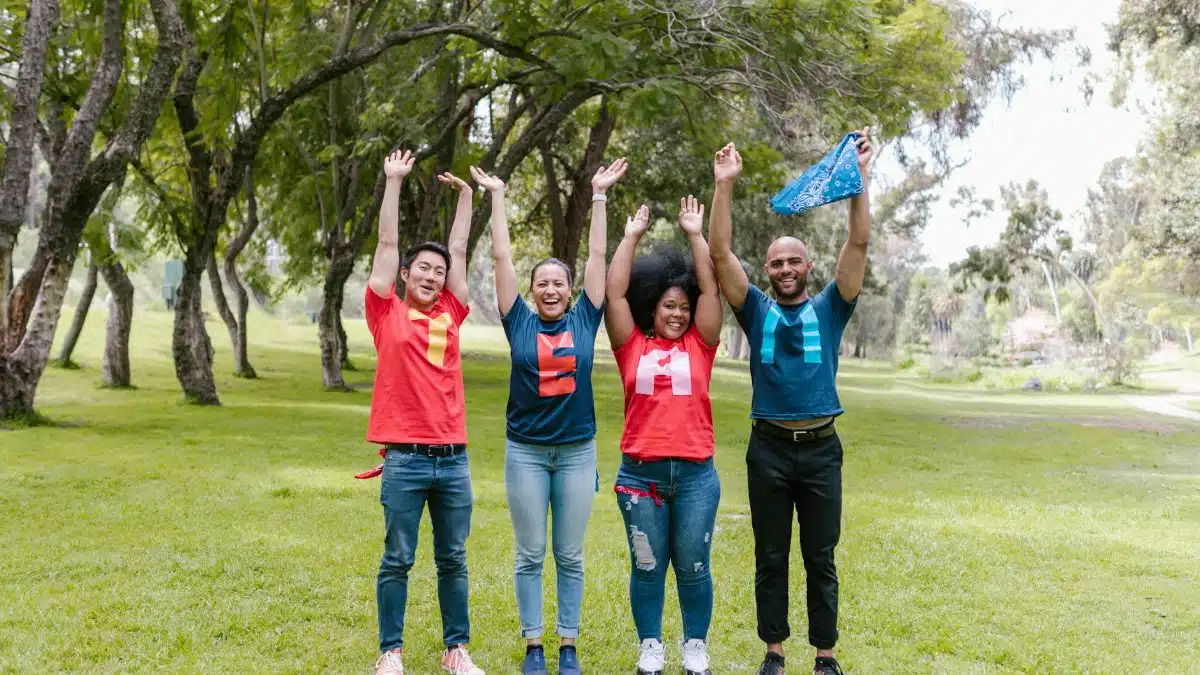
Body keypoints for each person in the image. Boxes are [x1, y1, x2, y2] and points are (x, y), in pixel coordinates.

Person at [706, 129, 874, 675]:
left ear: (807, 267)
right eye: (776, 263)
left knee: (820, 557)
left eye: (793, 261)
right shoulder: (754, 309)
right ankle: (774, 651)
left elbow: (858, 247)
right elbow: (718, 252)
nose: (783, 269)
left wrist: (858, 182)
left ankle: (825, 654)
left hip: (822, 450)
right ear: (768, 270)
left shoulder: (832, 308)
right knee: (771, 556)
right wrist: (723, 186)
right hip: (769, 450)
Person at [476, 158, 629, 675]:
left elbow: (599, 256)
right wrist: (497, 195)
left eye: (557, 283)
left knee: (569, 554)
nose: (548, 290)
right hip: (525, 451)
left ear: (569, 290)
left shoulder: (588, 316)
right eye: (540, 283)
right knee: (530, 553)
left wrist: (600, 194)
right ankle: (534, 646)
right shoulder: (516, 320)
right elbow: (500, 255)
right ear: (531, 290)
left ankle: (568, 644)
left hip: (576, 452)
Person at [365, 149, 484, 675]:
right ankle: (390, 653)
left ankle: (455, 650)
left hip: (452, 459)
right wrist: (393, 181)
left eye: (439, 271)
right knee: (397, 559)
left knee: (453, 559)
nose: (432, 276)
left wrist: (466, 198)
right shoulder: (385, 311)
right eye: (423, 269)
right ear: (406, 275)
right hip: (406, 460)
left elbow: (458, 246)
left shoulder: (453, 314)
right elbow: (387, 243)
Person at [606, 196, 724, 675]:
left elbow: (713, 295)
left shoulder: (701, 344)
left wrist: (696, 235)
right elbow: (613, 295)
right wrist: (631, 237)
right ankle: (650, 645)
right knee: (649, 566)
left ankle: (694, 645)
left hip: (696, 476)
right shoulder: (630, 346)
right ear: (650, 308)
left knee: (694, 566)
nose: (676, 314)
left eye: (683, 307)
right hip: (640, 477)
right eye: (667, 306)